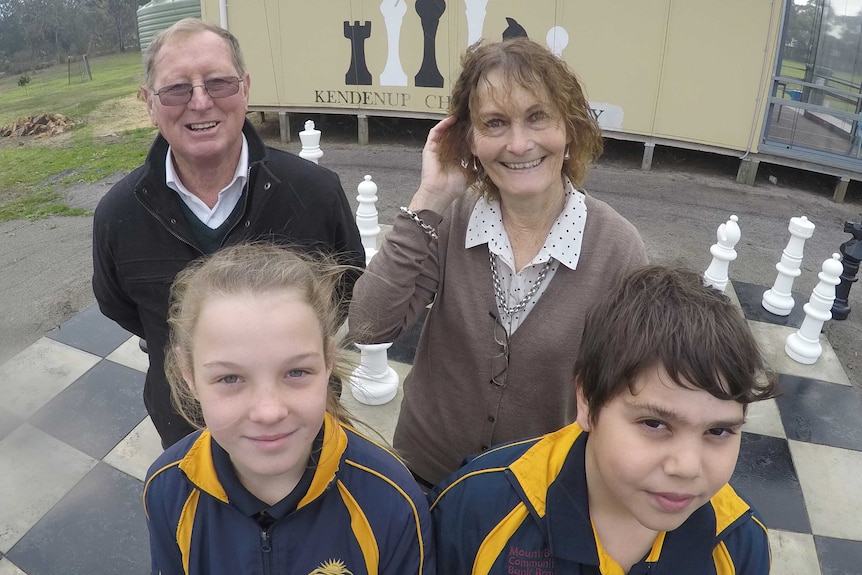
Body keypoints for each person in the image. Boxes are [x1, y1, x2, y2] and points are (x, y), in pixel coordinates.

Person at [347, 38, 648, 487]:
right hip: (425, 473)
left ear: (570, 127)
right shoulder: (448, 218)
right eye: (494, 123)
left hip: (536, 494)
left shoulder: (617, 248)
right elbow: (369, 326)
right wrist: (430, 199)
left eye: (537, 117)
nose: (519, 143)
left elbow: (627, 394)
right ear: (467, 137)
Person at [92, 18, 365, 448]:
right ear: (148, 102)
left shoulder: (314, 191)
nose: (200, 103)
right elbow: (122, 308)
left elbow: (345, 290)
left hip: (301, 431)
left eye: (219, 83)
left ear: (245, 88)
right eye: (177, 89)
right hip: (187, 434)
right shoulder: (118, 214)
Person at [428, 266, 778, 574]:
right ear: (586, 401)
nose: (686, 467)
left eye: (718, 431)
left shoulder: (739, 544)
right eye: (654, 424)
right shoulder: (476, 508)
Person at [143, 243, 434, 575]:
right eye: (230, 378)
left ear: (328, 361)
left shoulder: (391, 499)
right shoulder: (167, 489)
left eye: (296, 372)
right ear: (189, 375)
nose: (268, 412)